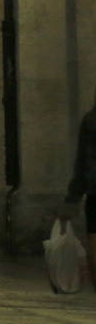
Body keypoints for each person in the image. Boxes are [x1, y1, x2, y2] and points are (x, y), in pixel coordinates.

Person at [64, 93, 96, 287]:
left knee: (94, 240)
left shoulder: (91, 119)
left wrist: (72, 198)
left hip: (95, 191)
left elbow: (82, 163)